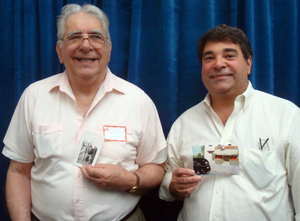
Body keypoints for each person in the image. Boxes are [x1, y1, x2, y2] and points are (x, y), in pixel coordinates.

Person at [3, 4, 167, 221]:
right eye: (74, 37)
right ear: (60, 51)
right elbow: (18, 172)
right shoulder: (34, 96)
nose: (86, 45)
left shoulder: (138, 101)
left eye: (96, 37)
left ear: (109, 50)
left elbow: (156, 166)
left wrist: (130, 179)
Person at [159, 24, 300, 220]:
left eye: (229, 55)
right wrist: (172, 185)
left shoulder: (286, 116)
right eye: (209, 58)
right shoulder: (184, 123)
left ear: (249, 63)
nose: (218, 64)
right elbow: (168, 179)